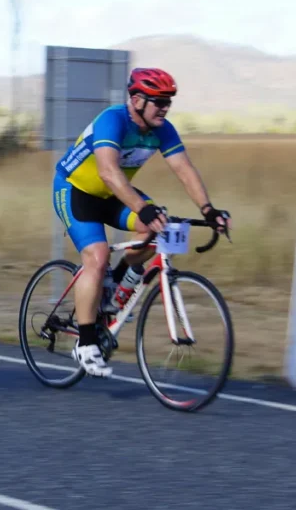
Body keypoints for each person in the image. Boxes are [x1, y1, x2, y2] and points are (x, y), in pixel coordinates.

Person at [52, 67, 231, 378]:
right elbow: (108, 171)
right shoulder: (113, 120)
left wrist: (208, 210)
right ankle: (86, 343)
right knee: (97, 256)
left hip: (112, 194)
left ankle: (114, 286)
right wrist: (141, 207)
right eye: (159, 101)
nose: (165, 108)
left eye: (168, 102)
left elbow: (184, 169)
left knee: (158, 228)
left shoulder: (162, 129)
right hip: (75, 191)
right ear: (136, 100)